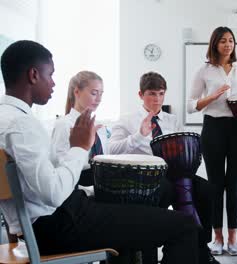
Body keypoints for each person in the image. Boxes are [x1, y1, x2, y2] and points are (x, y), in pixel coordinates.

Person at [0, 40, 199, 264]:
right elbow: (54, 192)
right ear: (34, 75)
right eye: (50, 74)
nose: (54, 82)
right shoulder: (22, 124)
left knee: (138, 210)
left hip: (49, 220)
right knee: (185, 226)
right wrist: (79, 147)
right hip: (58, 223)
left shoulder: (7, 117)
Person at [108, 71, 219, 264]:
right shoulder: (127, 119)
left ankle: (201, 248)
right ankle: (150, 251)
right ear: (141, 95)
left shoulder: (171, 120)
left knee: (206, 190)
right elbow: (112, 149)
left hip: (174, 173)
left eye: (161, 93)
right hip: (145, 177)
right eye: (151, 93)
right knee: (167, 191)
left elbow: (180, 148)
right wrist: (139, 136)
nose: (157, 99)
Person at [187, 26, 237, 256]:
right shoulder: (204, 70)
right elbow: (190, 104)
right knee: (215, 185)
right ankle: (217, 238)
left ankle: (233, 238)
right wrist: (212, 96)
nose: (227, 44)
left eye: (231, 40)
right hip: (213, 128)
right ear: (214, 44)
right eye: (222, 40)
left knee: (233, 185)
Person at [50, 71, 108, 187]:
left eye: (101, 94)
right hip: (77, 189)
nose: (99, 99)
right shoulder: (64, 124)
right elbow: (58, 164)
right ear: (77, 92)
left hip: (101, 186)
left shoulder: (100, 128)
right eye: (94, 93)